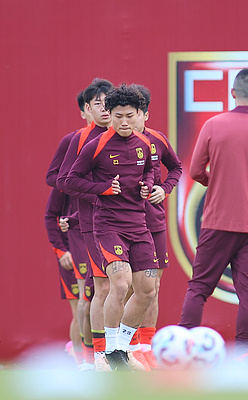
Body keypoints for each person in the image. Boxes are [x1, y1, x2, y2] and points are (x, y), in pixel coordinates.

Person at [178, 68, 248, 359]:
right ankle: (243, 354)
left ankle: (183, 348)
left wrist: (218, 183)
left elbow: (195, 171)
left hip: (216, 222)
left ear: (232, 93)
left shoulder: (213, 125)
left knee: (199, 288)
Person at [65, 84, 158, 371]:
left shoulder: (144, 144)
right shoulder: (96, 146)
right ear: (110, 114)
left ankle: (122, 348)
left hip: (139, 225)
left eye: (130, 116)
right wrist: (102, 188)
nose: (124, 122)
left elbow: (151, 170)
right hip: (108, 226)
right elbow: (69, 181)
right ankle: (108, 351)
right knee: (119, 283)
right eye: (118, 116)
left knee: (148, 290)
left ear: (139, 114)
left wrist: (149, 185)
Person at [57, 78, 114, 371]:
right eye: (97, 103)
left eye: (108, 102)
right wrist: (98, 193)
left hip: (123, 224)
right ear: (87, 108)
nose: (104, 108)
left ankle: (122, 352)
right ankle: (90, 358)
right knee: (91, 292)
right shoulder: (78, 140)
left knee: (126, 288)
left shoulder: (126, 135)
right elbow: (61, 180)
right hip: (88, 226)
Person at [132, 84, 182, 368]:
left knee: (153, 285)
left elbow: (176, 168)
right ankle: (126, 345)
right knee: (127, 286)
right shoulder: (109, 144)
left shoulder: (157, 140)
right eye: (122, 114)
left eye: (135, 113)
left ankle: (146, 347)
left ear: (145, 115)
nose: (128, 120)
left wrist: (165, 188)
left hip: (154, 222)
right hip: (122, 224)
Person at [45, 90, 94, 370]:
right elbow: (50, 216)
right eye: (95, 105)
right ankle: (80, 361)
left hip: (101, 242)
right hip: (73, 250)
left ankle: (102, 354)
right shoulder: (65, 183)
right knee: (80, 309)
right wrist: (60, 249)